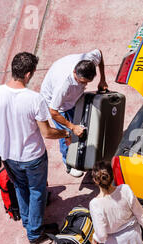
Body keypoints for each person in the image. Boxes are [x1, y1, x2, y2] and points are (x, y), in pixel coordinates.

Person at [0, 52, 71, 244]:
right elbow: (46, 133)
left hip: (8, 156)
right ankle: (35, 233)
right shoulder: (34, 99)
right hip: (32, 157)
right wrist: (66, 134)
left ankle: (28, 222)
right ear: (28, 74)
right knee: (37, 192)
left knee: (21, 188)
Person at [40, 49, 108, 177]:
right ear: (74, 72)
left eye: (87, 82)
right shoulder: (63, 85)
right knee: (68, 134)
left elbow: (99, 52)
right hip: (58, 106)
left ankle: (82, 153)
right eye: (82, 82)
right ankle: (69, 163)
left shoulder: (90, 59)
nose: (85, 85)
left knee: (81, 125)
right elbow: (53, 111)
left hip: (72, 98)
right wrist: (72, 127)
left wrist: (102, 79)